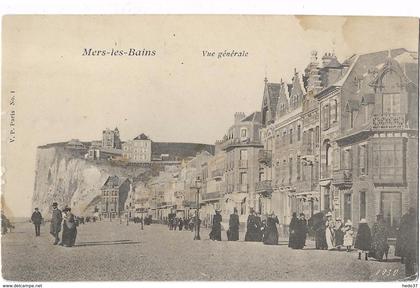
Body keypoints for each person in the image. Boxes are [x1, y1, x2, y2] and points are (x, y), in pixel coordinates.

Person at [395, 207, 418, 278]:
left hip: (408, 242)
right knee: (409, 258)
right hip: (408, 241)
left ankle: (409, 272)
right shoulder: (409, 219)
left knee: (409, 258)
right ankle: (409, 272)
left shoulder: (406, 219)